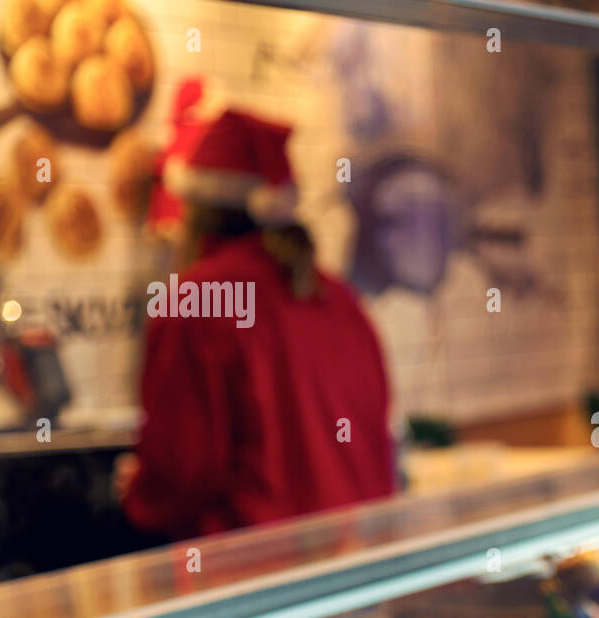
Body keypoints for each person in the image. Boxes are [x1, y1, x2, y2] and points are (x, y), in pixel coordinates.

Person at [117, 108, 395, 541]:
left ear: (197, 207)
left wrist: (140, 490)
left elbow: (182, 468)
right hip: (355, 570)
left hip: (253, 578)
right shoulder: (338, 298)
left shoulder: (197, 300)